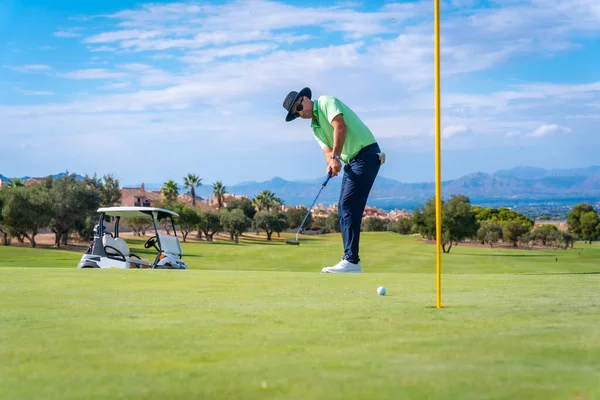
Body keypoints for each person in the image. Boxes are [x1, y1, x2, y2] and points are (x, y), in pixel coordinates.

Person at [282, 87, 385, 273]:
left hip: (366, 154)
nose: (300, 112)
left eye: (298, 106)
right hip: (353, 161)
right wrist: (332, 161)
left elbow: (340, 126)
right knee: (344, 207)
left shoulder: (325, 102)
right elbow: (327, 151)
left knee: (348, 205)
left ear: (304, 98)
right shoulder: (315, 128)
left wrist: (336, 158)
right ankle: (351, 259)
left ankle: (351, 261)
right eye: (295, 114)